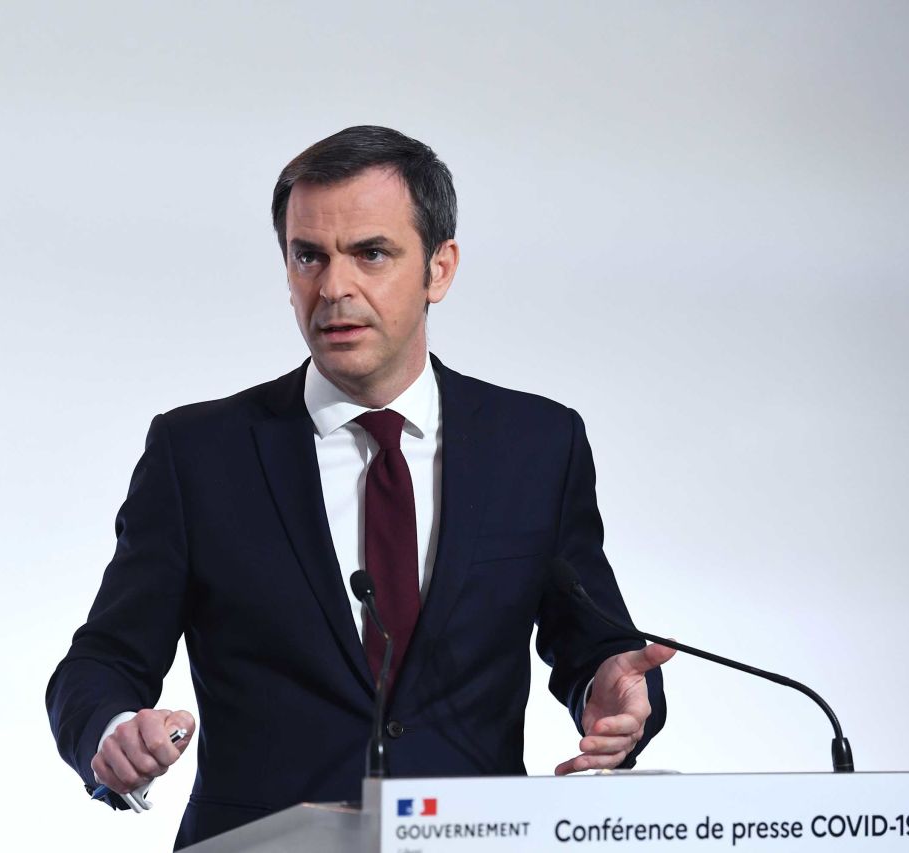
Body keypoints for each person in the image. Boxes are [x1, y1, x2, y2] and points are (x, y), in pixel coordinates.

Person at [46, 125, 673, 849]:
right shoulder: (199, 453)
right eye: (308, 256)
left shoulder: (536, 445)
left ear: (440, 269)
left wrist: (614, 694)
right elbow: (101, 661)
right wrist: (117, 731)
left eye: (370, 253)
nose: (333, 287)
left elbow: (598, 646)